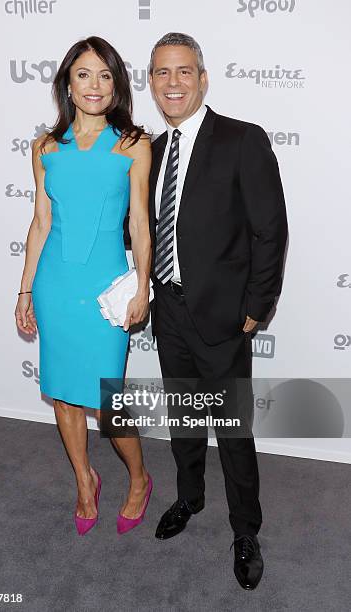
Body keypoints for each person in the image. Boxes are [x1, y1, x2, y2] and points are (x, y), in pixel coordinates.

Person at [148, 33, 288, 589]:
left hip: (225, 316)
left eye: (184, 71)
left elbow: (269, 229)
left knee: (231, 429)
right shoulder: (151, 152)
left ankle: (246, 530)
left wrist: (257, 304)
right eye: (162, 72)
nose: (174, 82)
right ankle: (189, 498)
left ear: (203, 78)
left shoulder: (241, 140)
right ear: (152, 82)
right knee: (183, 417)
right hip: (169, 309)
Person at [15, 36, 153, 536]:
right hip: (55, 283)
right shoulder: (46, 147)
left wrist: (142, 286)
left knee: (106, 400)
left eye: (104, 75)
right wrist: (26, 290)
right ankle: (84, 480)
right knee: (64, 396)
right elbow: (40, 224)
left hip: (104, 288)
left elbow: (140, 222)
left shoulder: (133, 144)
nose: (94, 85)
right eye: (83, 75)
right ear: (67, 85)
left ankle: (138, 479)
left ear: (115, 85)